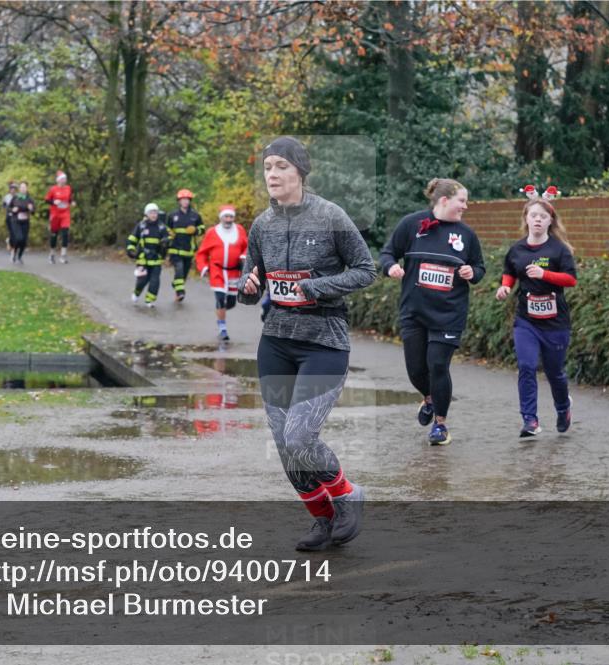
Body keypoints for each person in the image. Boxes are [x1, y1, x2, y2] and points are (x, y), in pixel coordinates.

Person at [239, 136, 375, 551]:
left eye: (281, 166)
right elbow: (250, 284)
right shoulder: (261, 225)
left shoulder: (331, 216)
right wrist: (246, 288)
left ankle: (348, 493)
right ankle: (322, 518)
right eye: (267, 167)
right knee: (284, 444)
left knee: (300, 436)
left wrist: (316, 287)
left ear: (300, 171)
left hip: (324, 342)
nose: (272, 174)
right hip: (276, 342)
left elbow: (365, 270)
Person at [379, 178, 485, 446]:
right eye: (462, 200)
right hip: (414, 311)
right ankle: (428, 398)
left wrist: (472, 272)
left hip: (449, 313)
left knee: (438, 365)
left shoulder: (466, 234)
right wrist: (390, 267)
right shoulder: (412, 224)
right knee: (416, 369)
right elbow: (388, 253)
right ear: (444, 200)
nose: (466, 206)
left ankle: (440, 424)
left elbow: (479, 268)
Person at [495, 185, 577, 437]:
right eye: (533, 216)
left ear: (550, 220)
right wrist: (505, 287)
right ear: (526, 219)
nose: (538, 220)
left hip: (555, 322)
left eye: (543, 216)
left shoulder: (559, 249)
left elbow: (570, 280)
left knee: (555, 373)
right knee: (527, 366)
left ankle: (563, 408)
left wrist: (545, 274)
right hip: (526, 321)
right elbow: (510, 272)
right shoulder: (517, 249)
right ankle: (530, 420)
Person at [196, 205, 248, 341]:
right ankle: (223, 328)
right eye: (226, 216)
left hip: (233, 272)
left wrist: (243, 256)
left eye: (231, 217)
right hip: (217, 270)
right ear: (221, 217)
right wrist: (203, 267)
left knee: (230, 302)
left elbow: (247, 247)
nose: (228, 219)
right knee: (220, 298)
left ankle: (221, 312)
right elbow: (201, 253)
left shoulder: (240, 230)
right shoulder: (212, 232)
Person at [127, 202, 170, 307]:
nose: (154, 215)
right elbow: (132, 239)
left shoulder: (162, 227)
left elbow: (167, 239)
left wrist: (165, 243)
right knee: (142, 281)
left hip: (156, 259)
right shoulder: (141, 226)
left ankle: (149, 300)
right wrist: (131, 250)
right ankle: (137, 293)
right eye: (151, 212)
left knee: (155, 281)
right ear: (146, 214)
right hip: (143, 259)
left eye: (155, 212)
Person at [166, 189, 204, 302]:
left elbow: (202, 229)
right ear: (179, 201)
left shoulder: (195, 216)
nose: (185, 202)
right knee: (179, 269)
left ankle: (176, 284)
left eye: (187, 199)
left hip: (188, 250)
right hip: (175, 249)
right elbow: (166, 230)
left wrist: (196, 230)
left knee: (184, 274)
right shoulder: (172, 215)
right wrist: (169, 235)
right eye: (183, 199)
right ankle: (180, 292)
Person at [44, 170, 75, 264]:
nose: (64, 180)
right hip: (55, 214)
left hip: (65, 213)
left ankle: (63, 255)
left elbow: (69, 199)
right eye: (62, 179)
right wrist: (53, 202)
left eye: (65, 179)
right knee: (54, 235)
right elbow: (46, 200)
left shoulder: (68, 188)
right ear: (58, 180)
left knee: (65, 233)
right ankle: (52, 254)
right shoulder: (53, 189)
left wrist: (71, 202)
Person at [10, 182, 35, 265]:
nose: (23, 189)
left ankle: (19, 256)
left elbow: (33, 211)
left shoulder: (29, 199)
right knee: (19, 238)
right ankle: (14, 251)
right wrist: (13, 210)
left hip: (25, 221)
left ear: (27, 189)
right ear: (19, 189)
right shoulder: (15, 198)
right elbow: (9, 208)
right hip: (16, 221)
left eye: (25, 187)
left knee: (24, 241)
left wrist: (31, 209)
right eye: (22, 187)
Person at [2, 182, 18, 254]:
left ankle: (13, 245)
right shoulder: (6, 197)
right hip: (9, 215)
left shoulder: (18, 196)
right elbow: (4, 206)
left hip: (17, 216)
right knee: (11, 232)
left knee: (15, 232)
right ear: (9, 189)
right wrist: (9, 209)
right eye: (12, 189)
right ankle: (11, 244)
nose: (13, 190)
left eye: (14, 189)